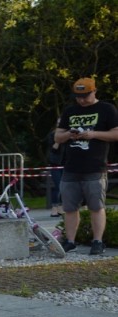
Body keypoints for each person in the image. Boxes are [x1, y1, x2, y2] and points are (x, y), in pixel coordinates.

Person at [54, 78, 118, 255]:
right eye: (78, 96)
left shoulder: (106, 109)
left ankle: (97, 241)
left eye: (85, 96)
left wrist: (93, 134)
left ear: (94, 91)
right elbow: (57, 137)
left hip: (95, 167)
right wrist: (69, 134)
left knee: (96, 206)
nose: (81, 100)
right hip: (71, 167)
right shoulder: (70, 111)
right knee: (69, 207)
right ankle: (70, 241)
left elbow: (116, 133)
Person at [45, 118, 65, 217]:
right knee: (58, 186)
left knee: (65, 187)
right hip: (56, 163)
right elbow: (53, 149)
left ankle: (61, 207)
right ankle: (54, 207)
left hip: (67, 163)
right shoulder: (53, 134)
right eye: (58, 123)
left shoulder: (69, 134)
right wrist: (58, 140)